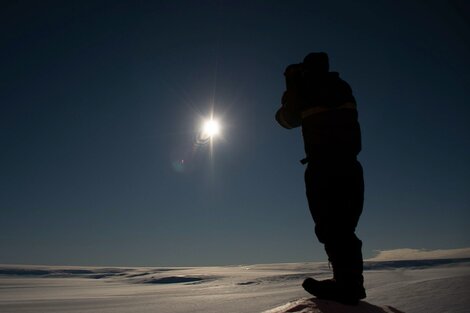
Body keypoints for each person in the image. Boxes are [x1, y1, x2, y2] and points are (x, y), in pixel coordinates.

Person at [275, 52, 366, 305]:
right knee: (345, 225)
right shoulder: (342, 86)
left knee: (330, 224)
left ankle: (346, 285)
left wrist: (291, 85)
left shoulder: (305, 90)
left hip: (324, 165)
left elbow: (286, 119)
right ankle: (350, 281)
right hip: (350, 164)